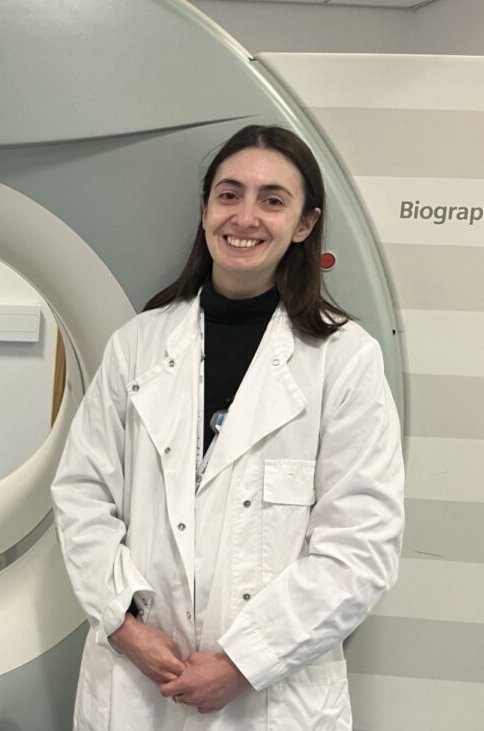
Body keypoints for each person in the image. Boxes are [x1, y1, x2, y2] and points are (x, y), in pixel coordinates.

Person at [50, 125, 404, 730]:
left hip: (270, 698)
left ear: (304, 224)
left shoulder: (345, 360)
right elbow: (83, 495)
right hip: (141, 685)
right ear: (206, 210)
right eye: (228, 194)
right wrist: (123, 625)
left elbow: (359, 550)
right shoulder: (139, 346)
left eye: (272, 200)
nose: (245, 217)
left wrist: (243, 663)